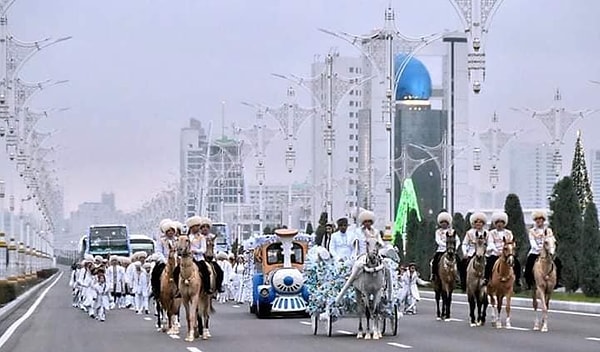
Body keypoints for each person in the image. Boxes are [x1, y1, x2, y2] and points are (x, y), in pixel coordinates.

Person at [187, 216, 224, 294]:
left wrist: (214, 254)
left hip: (208, 258)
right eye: (203, 227)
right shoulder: (194, 237)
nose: (205, 228)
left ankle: (217, 287)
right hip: (194, 258)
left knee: (219, 271)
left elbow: (215, 248)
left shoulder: (212, 237)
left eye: (207, 227)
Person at [524, 210, 561, 290]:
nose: (539, 221)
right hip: (536, 251)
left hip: (547, 251)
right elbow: (532, 242)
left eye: (540, 219)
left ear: (543, 220)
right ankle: (529, 282)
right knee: (529, 264)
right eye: (537, 219)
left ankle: (557, 281)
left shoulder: (548, 230)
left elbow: (552, 240)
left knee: (558, 262)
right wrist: (538, 249)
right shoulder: (532, 231)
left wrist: (551, 250)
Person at [484, 212, 514, 286]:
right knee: (489, 263)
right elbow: (490, 243)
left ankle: (517, 280)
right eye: (497, 222)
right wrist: (497, 251)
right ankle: (487, 279)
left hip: (507, 253)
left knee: (516, 263)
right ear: (495, 224)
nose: (499, 224)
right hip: (496, 253)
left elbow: (512, 242)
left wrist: (510, 251)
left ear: (504, 223)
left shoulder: (509, 233)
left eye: (501, 222)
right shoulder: (491, 233)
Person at [460, 212, 487, 291]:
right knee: (463, 265)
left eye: (480, 222)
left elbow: (490, 243)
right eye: (476, 222)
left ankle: (488, 280)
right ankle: (464, 283)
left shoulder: (487, 233)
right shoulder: (469, 233)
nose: (478, 224)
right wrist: (465, 253)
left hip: (483, 253)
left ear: (483, 223)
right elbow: (464, 244)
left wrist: (488, 251)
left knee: (490, 265)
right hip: (471, 253)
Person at [430, 212, 460, 281]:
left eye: (445, 222)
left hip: (452, 250)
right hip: (441, 250)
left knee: (458, 260)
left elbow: (458, 240)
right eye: (442, 222)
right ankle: (434, 274)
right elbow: (438, 240)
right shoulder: (438, 231)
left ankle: (457, 275)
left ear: (448, 223)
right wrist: (446, 246)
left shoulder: (452, 231)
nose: (444, 224)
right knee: (434, 261)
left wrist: (455, 247)